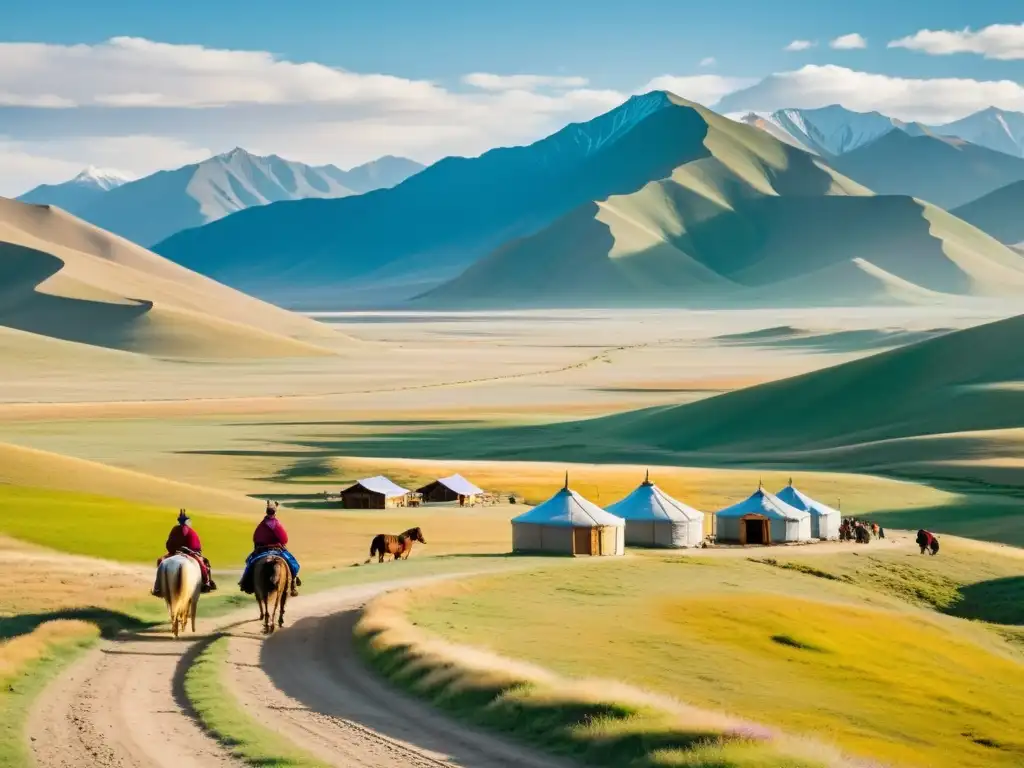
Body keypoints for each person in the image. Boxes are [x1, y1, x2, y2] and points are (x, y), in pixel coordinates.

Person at [240, 501, 301, 597]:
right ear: (275, 513)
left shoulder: (262, 525)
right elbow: (284, 539)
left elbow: (256, 538)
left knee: (249, 562)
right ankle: (293, 583)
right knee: (293, 563)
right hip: (277, 549)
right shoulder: (277, 525)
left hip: (262, 549)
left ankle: (244, 582)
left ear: (266, 512)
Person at [153, 510, 216, 596]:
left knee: (161, 561)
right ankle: (206, 582)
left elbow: (169, 543)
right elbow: (196, 545)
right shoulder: (191, 531)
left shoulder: (175, 529)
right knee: (203, 564)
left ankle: (158, 586)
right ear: (187, 521)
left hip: (175, 552)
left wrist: (173, 550)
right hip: (190, 553)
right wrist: (195, 551)